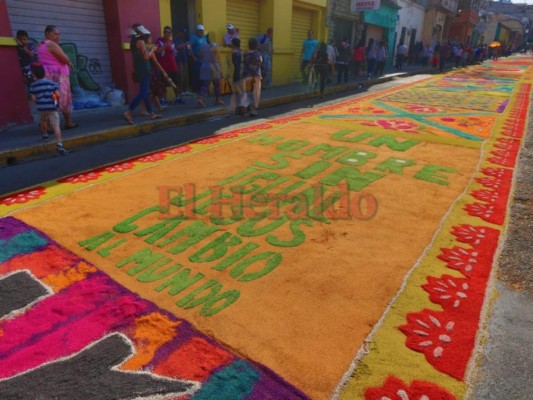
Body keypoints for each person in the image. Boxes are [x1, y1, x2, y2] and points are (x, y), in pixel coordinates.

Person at [37, 25, 77, 130]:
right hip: (58, 77)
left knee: (50, 99)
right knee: (63, 99)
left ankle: (49, 124)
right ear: (47, 34)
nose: (58, 36)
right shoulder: (51, 45)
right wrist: (68, 60)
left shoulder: (40, 45)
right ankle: (66, 123)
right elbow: (64, 59)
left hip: (48, 76)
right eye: (55, 34)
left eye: (59, 34)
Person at [123, 23, 164, 124]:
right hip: (144, 69)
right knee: (143, 93)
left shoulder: (133, 42)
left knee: (145, 93)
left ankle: (151, 113)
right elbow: (146, 57)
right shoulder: (140, 42)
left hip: (139, 69)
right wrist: (152, 49)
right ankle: (129, 112)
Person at [29, 62, 68, 155]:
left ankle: (45, 136)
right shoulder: (52, 83)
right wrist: (55, 98)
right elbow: (58, 95)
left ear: (34, 74)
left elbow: (33, 98)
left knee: (43, 121)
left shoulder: (33, 85)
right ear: (44, 73)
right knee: (56, 126)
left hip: (41, 107)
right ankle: (59, 145)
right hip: (51, 107)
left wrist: (39, 101)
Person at [155, 26, 184, 104]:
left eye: (169, 32)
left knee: (176, 82)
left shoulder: (172, 42)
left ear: (171, 33)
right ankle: (163, 99)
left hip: (173, 65)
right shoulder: (159, 41)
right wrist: (165, 46)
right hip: (163, 66)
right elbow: (157, 51)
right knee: (163, 83)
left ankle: (178, 97)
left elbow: (174, 53)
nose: (167, 33)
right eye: (166, 32)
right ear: (163, 32)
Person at [196, 43, 224, 108]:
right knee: (217, 84)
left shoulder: (203, 46)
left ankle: (201, 99)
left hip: (204, 66)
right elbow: (217, 58)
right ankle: (218, 100)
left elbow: (201, 56)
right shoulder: (215, 46)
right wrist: (220, 70)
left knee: (205, 85)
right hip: (213, 66)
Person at [242, 37, 263, 117]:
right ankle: (254, 110)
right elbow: (261, 61)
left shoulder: (245, 54)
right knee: (256, 92)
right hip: (256, 75)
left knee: (246, 92)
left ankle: (246, 108)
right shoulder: (258, 54)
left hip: (246, 75)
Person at [189, 24, 209, 93]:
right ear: (197, 31)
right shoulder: (193, 37)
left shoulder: (204, 37)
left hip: (204, 59)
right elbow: (189, 47)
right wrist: (193, 56)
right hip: (196, 58)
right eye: (200, 31)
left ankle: (202, 89)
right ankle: (195, 89)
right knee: (196, 74)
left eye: (202, 31)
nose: (201, 32)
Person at [228, 37, 245, 115]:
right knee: (240, 89)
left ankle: (244, 105)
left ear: (234, 44)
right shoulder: (240, 52)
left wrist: (236, 74)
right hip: (242, 71)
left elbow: (236, 64)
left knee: (237, 90)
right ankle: (241, 108)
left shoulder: (235, 53)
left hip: (237, 72)